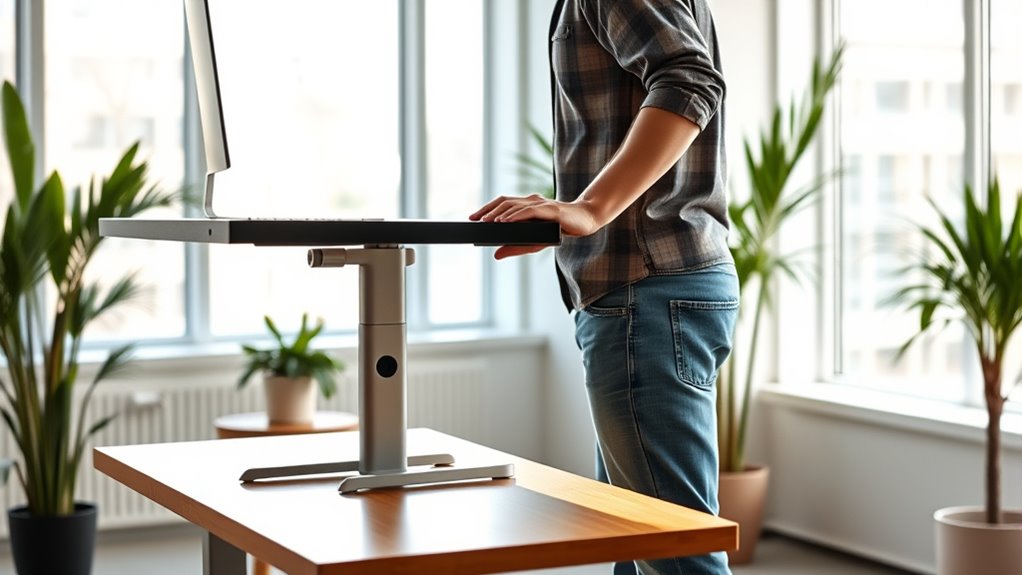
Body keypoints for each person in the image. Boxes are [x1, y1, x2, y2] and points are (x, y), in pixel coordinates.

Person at [470, 1, 736, 574]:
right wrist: (573, 212)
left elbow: (689, 79)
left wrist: (592, 207)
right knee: (632, 536)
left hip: (647, 286)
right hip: (657, 284)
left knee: (674, 549)